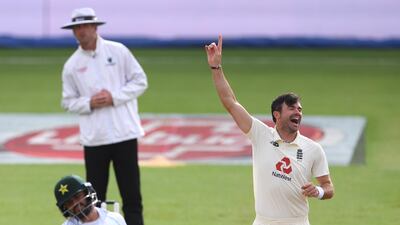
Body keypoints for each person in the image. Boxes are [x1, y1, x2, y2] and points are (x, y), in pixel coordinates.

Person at [204, 35, 334, 225]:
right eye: (291, 108)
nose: (298, 111)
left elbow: (328, 186)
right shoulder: (261, 135)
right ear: (277, 115)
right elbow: (231, 103)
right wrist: (216, 68)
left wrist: (319, 191)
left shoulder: (313, 149)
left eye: (300, 109)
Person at [60, 8, 148, 225]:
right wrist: (89, 102)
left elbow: (140, 81)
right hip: (95, 138)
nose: (80, 31)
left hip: (124, 134)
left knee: (132, 198)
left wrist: (114, 97)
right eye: (76, 28)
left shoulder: (118, 51)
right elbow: (67, 101)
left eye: (84, 26)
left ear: (95, 27)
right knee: (92, 201)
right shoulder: (71, 65)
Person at [54, 174, 127, 225]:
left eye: (77, 196)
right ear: (65, 208)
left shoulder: (115, 218)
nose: (75, 203)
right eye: (69, 202)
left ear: (87, 193)